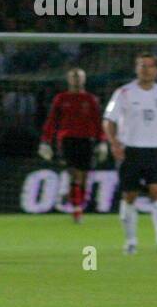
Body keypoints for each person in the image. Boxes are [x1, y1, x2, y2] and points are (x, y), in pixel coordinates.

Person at [104, 53, 157, 254]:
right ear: (136, 69)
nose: (145, 69)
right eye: (141, 66)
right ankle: (130, 242)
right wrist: (113, 143)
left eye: (149, 66)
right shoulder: (123, 93)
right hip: (130, 151)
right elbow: (108, 120)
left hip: (155, 151)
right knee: (130, 196)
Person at [39, 68, 107, 223]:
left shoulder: (90, 99)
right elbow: (52, 121)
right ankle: (77, 209)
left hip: (87, 140)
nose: (76, 80)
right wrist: (45, 141)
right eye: (73, 77)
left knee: (83, 176)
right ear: (69, 80)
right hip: (67, 140)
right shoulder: (61, 99)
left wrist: (102, 141)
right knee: (74, 174)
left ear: (84, 79)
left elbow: (98, 122)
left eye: (79, 77)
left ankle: (78, 204)